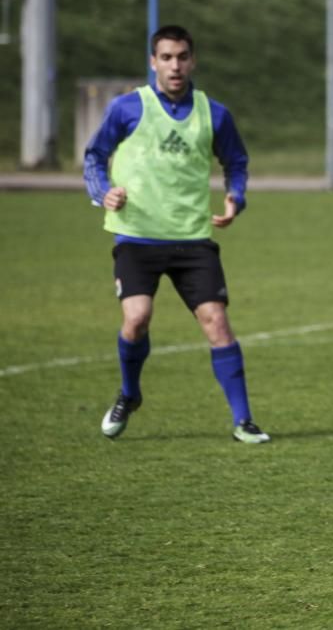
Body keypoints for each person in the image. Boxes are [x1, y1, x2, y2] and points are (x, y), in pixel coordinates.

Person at [83, 25, 269, 444]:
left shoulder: (213, 113)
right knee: (136, 319)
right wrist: (102, 192)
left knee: (216, 322)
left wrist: (235, 197)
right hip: (137, 236)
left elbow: (236, 161)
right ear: (153, 62)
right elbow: (94, 156)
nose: (175, 66)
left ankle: (244, 421)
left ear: (193, 60)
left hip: (191, 239)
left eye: (182, 56)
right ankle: (129, 394)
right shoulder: (127, 109)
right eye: (166, 57)